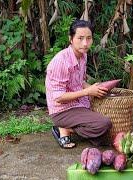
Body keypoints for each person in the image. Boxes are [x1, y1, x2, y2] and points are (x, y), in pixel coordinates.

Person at [45, 20, 112, 149]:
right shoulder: (61, 61)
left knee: (102, 138)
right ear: (71, 39)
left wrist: (94, 88)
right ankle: (65, 128)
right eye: (80, 38)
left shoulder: (83, 55)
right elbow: (58, 97)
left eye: (89, 38)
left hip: (79, 104)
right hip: (62, 111)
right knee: (104, 124)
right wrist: (88, 91)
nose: (85, 43)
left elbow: (79, 82)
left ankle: (77, 130)